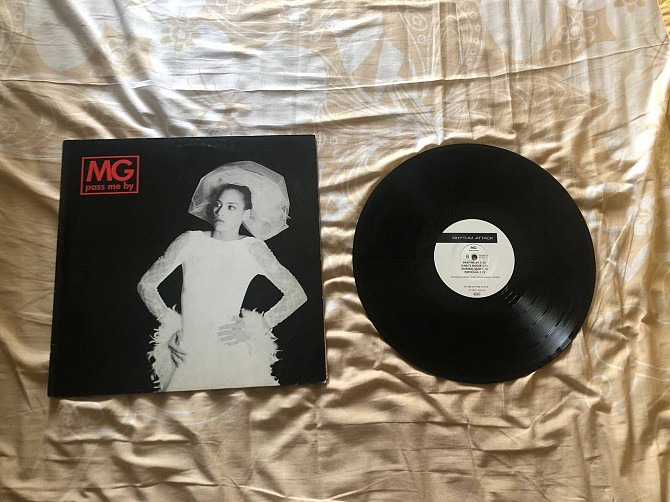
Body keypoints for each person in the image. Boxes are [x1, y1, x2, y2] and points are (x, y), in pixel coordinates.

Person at [137, 161, 307, 392]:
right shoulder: (189, 240)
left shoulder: (253, 248)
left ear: (246, 214)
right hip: (188, 348)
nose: (220, 212)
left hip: (231, 348)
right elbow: (146, 284)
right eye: (218, 205)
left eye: (231, 207)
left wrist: (259, 324)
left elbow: (296, 294)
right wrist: (170, 325)